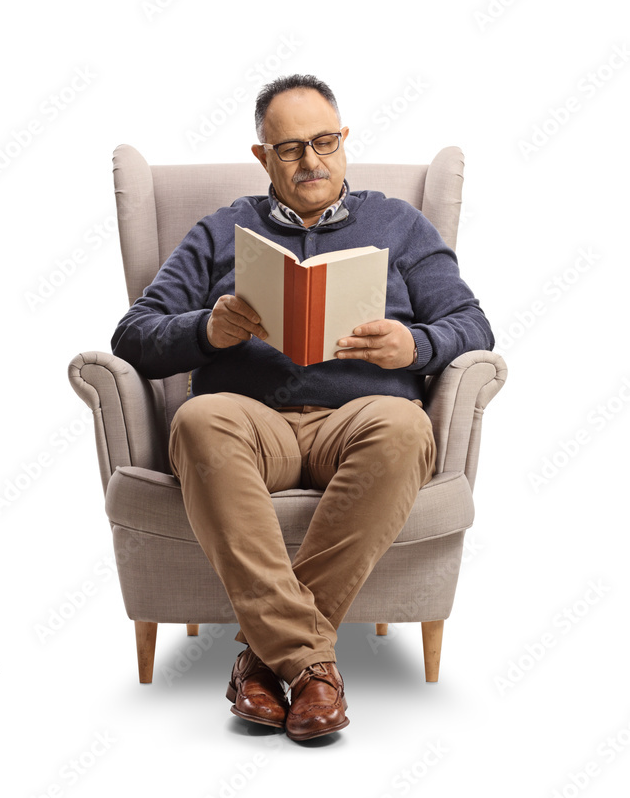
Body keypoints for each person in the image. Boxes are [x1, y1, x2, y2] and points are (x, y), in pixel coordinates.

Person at [111, 73, 494, 742]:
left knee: (405, 426)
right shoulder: (219, 229)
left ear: (343, 140)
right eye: (289, 149)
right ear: (262, 157)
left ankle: (266, 663)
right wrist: (208, 330)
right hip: (251, 425)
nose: (310, 161)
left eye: (323, 142)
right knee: (198, 419)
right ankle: (314, 668)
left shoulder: (399, 224)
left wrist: (415, 343)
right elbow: (133, 337)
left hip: (363, 420)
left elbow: (472, 326)